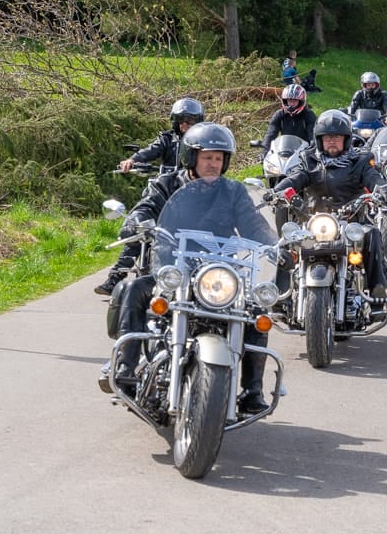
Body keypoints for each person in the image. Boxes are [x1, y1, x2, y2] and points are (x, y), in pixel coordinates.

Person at [105, 123, 280, 414]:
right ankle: (125, 367)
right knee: (134, 288)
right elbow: (145, 207)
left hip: (217, 274)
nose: (213, 164)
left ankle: (252, 390)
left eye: (218, 158)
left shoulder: (233, 191)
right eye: (207, 157)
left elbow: (253, 224)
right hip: (172, 269)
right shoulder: (166, 184)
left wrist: (275, 246)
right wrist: (137, 222)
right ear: (191, 157)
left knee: (254, 310)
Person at [273, 110, 387, 297]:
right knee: (287, 237)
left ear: (346, 139)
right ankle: (280, 292)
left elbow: (373, 177)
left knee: (372, 233)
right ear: (319, 140)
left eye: (337, 137)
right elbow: (296, 178)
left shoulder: (359, 160)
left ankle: (376, 288)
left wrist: (383, 190)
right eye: (327, 137)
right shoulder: (309, 160)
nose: (332, 141)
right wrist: (276, 191)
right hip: (312, 220)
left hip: (351, 221)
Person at [95, 98, 205, 296]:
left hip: (192, 198)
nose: (185, 125)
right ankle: (115, 277)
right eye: (181, 121)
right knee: (142, 230)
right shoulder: (168, 139)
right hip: (166, 194)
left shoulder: (203, 144)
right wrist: (133, 159)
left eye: (190, 121)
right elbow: (151, 150)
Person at [256, 84, 317, 160]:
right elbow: (271, 133)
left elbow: (313, 135)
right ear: (285, 101)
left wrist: (313, 149)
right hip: (284, 152)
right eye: (289, 101)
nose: (291, 104)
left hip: (304, 155)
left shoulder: (309, 115)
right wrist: (264, 152)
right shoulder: (279, 115)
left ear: (301, 101)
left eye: (294, 101)